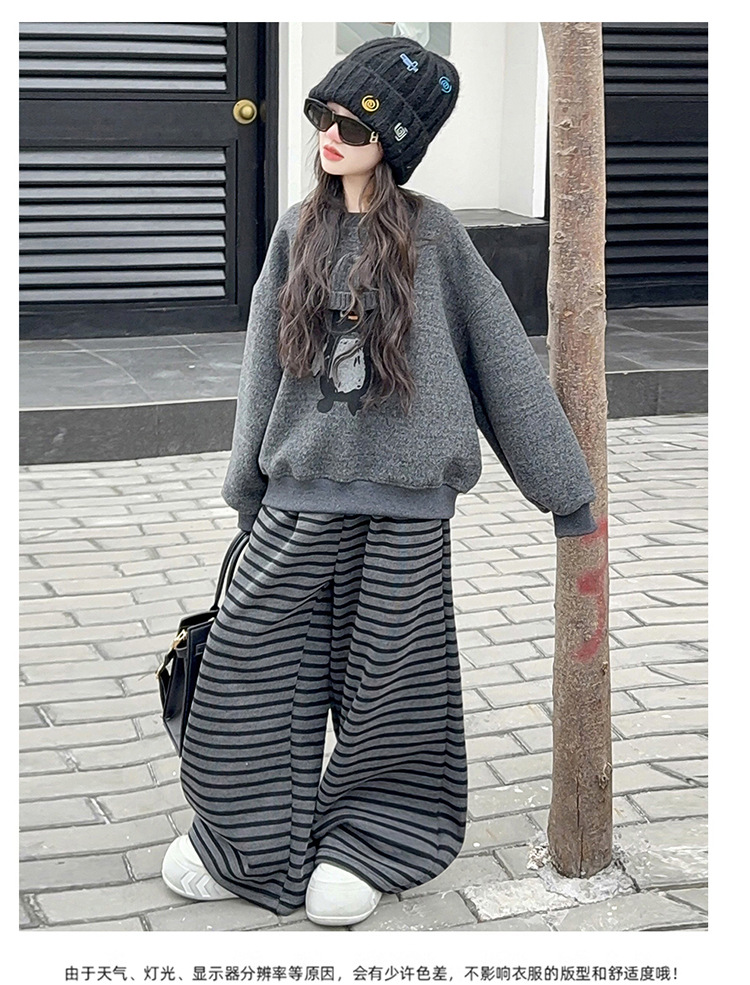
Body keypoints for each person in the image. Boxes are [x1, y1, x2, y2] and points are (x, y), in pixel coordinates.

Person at [161, 36, 597, 928]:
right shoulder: (296, 230)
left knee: (393, 686)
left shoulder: (437, 237)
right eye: (321, 115)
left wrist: (565, 492)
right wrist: (246, 490)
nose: (330, 134)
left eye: (353, 125)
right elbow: (261, 373)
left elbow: (502, 365)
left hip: (405, 515)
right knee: (247, 665)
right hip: (297, 503)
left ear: (393, 142)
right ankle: (239, 839)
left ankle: (368, 842)